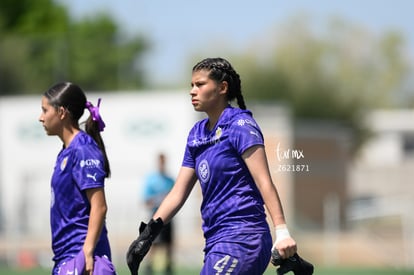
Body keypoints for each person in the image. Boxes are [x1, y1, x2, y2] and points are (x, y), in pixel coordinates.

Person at [126, 57, 297, 275]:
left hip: (245, 237)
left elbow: (264, 182)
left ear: (222, 88)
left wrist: (281, 231)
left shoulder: (240, 126)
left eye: (200, 84)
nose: (192, 91)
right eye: (191, 85)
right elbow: (178, 193)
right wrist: (147, 235)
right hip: (216, 241)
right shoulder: (196, 134)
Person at [39, 82, 117, 275]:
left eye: (44, 110)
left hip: (82, 257)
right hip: (66, 256)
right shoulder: (66, 152)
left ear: (62, 112)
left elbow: (99, 206)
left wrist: (87, 253)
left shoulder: (83, 149)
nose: (40, 118)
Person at [142, 153, 175, 275]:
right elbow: (146, 200)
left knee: (168, 243)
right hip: (155, 215)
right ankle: (149, 267)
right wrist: (158, 200)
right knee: (153, 243)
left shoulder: (170, 180)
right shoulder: (151, 180)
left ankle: (168, 267)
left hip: (169, 217)